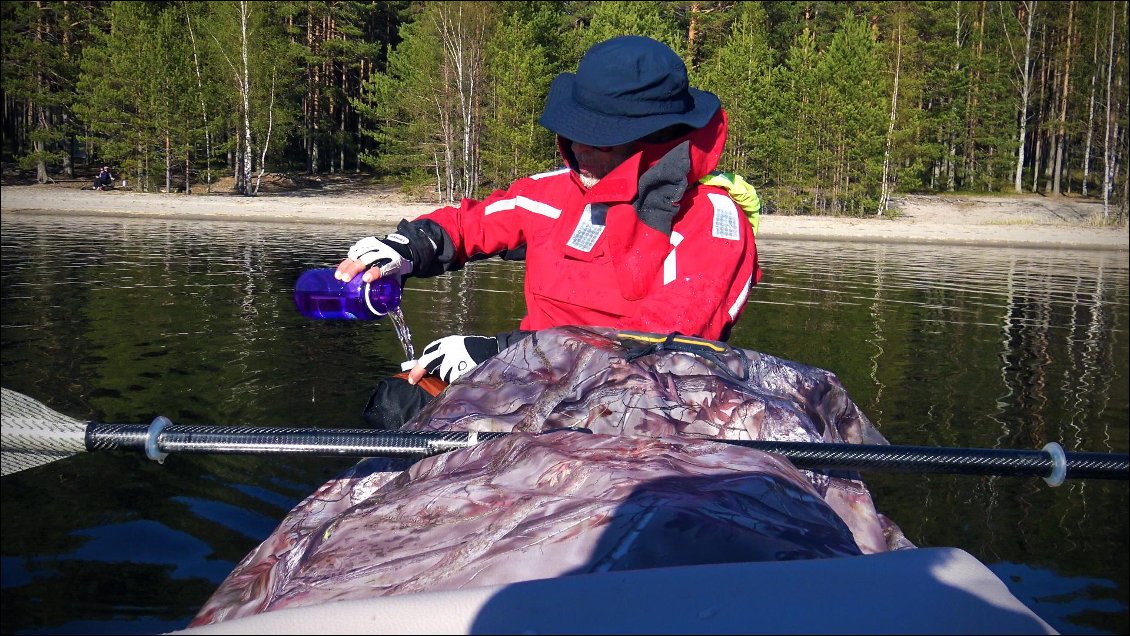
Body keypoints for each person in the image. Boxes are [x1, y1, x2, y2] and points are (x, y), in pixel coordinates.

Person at [334, 35, 762, 425]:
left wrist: (499, 355)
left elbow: (659, 348)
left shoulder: (713, 221)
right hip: (530, 381)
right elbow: (472, 223)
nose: (578, 148)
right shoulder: (554, 191)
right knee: (399, 400)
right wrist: (405, 247)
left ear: (656, 138)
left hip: (640, 408)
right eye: (575, 133)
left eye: (600, 139)